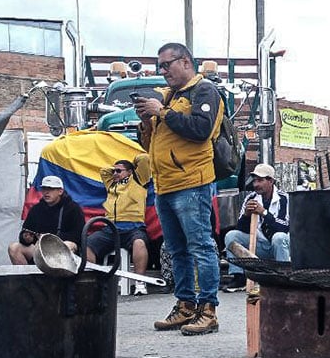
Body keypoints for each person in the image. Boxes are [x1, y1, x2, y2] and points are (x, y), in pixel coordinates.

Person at [135, 42, 225, 336]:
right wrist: (146, 123)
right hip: (164, 185)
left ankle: (208, 309)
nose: (163, 72)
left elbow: (200, 130)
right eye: (160, 66)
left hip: (192, 183)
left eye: (166, 65)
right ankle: (185, 305)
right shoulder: (169, 96)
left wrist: (161, 112)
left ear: (185, 61)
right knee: (176, 249)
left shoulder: (205, 91)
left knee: (200, 246)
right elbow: (151, 146)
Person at [86, 156, 152, 295]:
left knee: (139, 243)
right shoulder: (111, 184)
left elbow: (144, 158)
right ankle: (94, 282)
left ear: (130, 172)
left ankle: (140, 283)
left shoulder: (139, 181)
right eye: (114, 171)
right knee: (87, 244)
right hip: (110, 228)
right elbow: (104, 171)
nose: (115, 173)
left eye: (119, 171)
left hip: (133, 227)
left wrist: (131, 165)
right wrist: (117, 170)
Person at [223, 163, 291, 292]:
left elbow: (284, 227)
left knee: (279, 237)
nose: (256, 185)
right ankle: (239, 277)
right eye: (254, 181)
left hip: (280, 246)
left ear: (271, 181)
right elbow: (240, 228)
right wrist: (246, 215)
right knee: (231, 236)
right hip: (261, 246)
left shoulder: (284, 199)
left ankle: (283, 278)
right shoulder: (251, 198)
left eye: (260, 180)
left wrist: (264, 212)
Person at [8, 176, 85, 265]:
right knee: (14, 248)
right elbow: (25, 231)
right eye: (44, 189)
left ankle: (60, 277)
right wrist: (26, 238)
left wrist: (50, 238)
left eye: (51, 189)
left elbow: (78, 235)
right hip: (39, 250)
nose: (46, 192)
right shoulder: (36, 209)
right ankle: (27, 278)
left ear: (60, 191)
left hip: (62, 249)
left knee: (68, 245)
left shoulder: (73, 209)